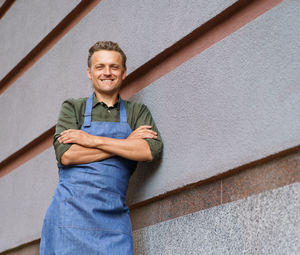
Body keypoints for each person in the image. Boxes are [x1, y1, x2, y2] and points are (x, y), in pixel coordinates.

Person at [40, 41, 162, 254]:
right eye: (100, 67)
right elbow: (67, 155)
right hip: (69, 217)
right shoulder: (73, 108)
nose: (107, 72)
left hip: (113, 220)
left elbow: (150, 150)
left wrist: (92, 140)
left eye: (114, 67)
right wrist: (126, 143)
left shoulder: (137, 111)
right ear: (90, 73)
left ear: (123, 73)